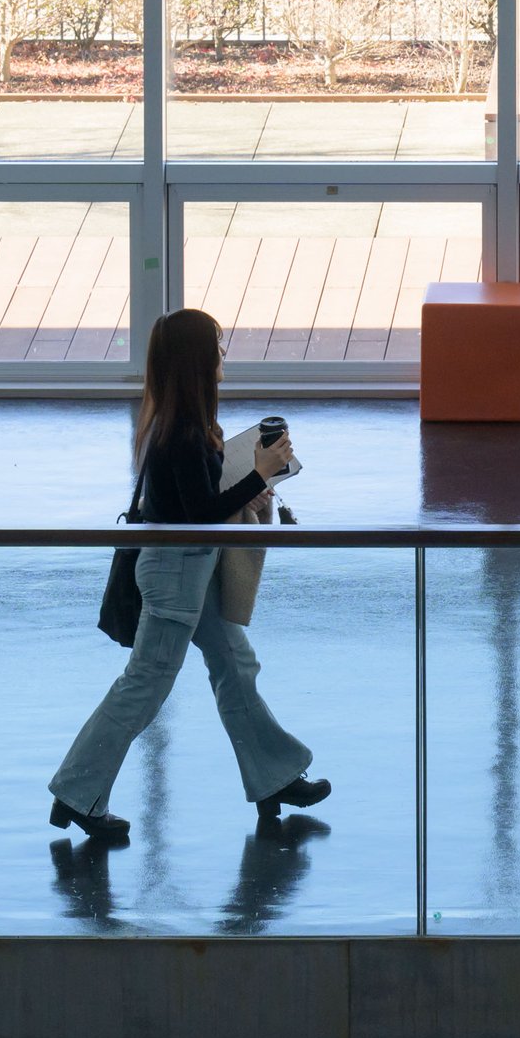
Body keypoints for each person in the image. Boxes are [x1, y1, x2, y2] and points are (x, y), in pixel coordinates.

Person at [48, 308, 332, 841]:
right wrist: (260, 473)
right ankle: (77, 791)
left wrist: (252, 481)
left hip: (189, 568)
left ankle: (273, 776)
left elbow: (195, 503)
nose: (222, 357)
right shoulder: (180, 432)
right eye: (216, 348)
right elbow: (200, 512)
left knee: (234, 662)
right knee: (146, 684)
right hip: (177, 572)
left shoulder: (183, 424)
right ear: (196, 361)